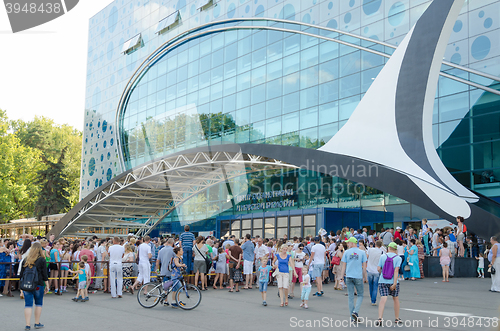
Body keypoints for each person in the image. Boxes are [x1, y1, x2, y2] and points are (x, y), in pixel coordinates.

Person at [20, 242, 49, 330]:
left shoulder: (25, 260)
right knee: (38, 303)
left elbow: (21, 275)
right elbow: (44, 274)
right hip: (38, 284)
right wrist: (47, 285)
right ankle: (37, 323)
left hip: (26, 285)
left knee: (28, 304)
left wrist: (21, 289)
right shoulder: (42, 260)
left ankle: (27, 324)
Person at [375, 242, 402, 327]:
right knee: (395, 299)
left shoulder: (383, 256)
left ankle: (380, 318)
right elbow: (396, 271)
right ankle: (397, 318)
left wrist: (382, 273)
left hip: (383, 280)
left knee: (383, 299)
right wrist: (394, 283)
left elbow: (378, 268)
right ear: (395, 249)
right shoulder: (398, 258)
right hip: (393, 282)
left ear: (389, 248)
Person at [340, 237, 367, 322]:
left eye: (348, 243)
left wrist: (341, 277)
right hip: (358, 276)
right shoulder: (362, 252)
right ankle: (355, 312)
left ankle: (352, 317)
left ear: (352, 243)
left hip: (349, 276)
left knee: (350, 297)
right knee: (360, 295)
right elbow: (364, 267)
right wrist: (364, 277)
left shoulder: (347, 252)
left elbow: (343, 266)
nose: (348, 244)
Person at [366, 240, 383, 306]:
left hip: (369, 269)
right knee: (375, 286)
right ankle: (374, 300)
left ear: (375, 244)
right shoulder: (381, 252)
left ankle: (371, 298)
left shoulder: (370, 250)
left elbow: (366, 257)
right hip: (376, 270)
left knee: (370, 285)